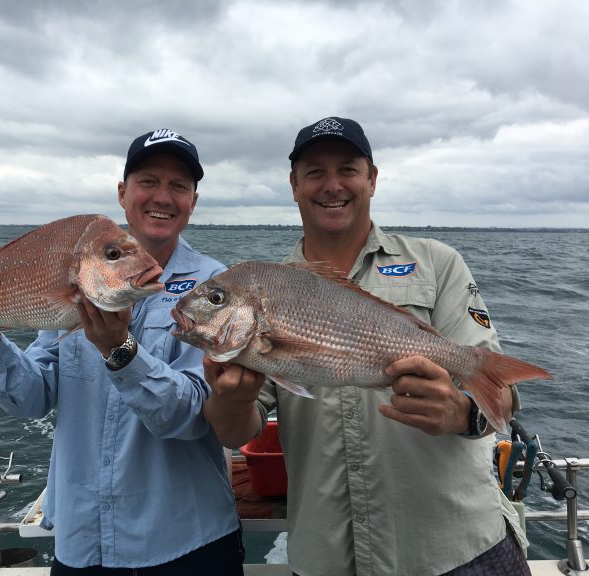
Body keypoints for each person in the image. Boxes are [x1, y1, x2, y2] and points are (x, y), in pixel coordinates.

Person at [203, 116, 529, 576]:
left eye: (348, 169)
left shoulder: (438, 264)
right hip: (329, 556)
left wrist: (460, 413)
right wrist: (230, 399)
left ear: (372, 179)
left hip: (455, 547)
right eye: (314, 171)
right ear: (294, 185)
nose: (332, 185)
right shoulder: (270, 287)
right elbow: (234, 432)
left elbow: (506, 397)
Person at [0, 129, 244, 575]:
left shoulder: (216, 288)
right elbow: (32, 398)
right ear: (123, 192)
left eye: (179, 186)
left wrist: (122, 351)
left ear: (194, 200)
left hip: (185, 539)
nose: (163, 197)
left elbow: (194, 417)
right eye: (148, 181)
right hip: (82, 542)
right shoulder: (78, 277)